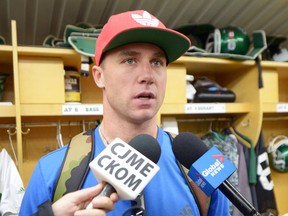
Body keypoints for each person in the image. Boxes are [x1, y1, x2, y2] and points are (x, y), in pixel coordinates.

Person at [20, 10, 230, 216]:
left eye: (157, 62)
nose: (147, 76)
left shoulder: (202, 164)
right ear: (99, 76)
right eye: (130, 60)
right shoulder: (50, 171)